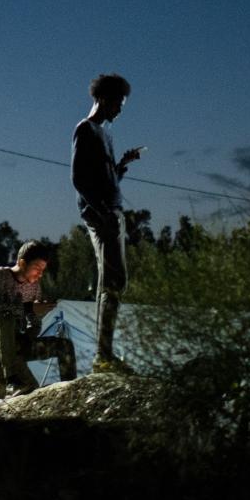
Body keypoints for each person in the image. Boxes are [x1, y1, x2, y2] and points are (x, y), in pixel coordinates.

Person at [72, 72, 140, 371]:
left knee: (116, 281)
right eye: (117, 102)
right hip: (103, 216)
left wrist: (122, 165)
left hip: (113, 212)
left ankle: (105, 353)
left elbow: (108, 179)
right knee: (112, 281)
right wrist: (101, 213)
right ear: (102, 98)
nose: (120, 109)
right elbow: (78, 179)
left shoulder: (106, 134)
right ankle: (103, 356)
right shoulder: (85, 130)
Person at [0, 241, 77, 394]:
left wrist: (37, 315)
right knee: (6, 317)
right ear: (22, 263)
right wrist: (29, 307)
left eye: (43, 270)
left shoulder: (35, 286)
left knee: (64, 345)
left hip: (17, 343)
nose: (40, 274)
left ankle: (70, 389)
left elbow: (35, 325)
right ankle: (11, 380)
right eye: (37, 268)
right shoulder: (0, 274)